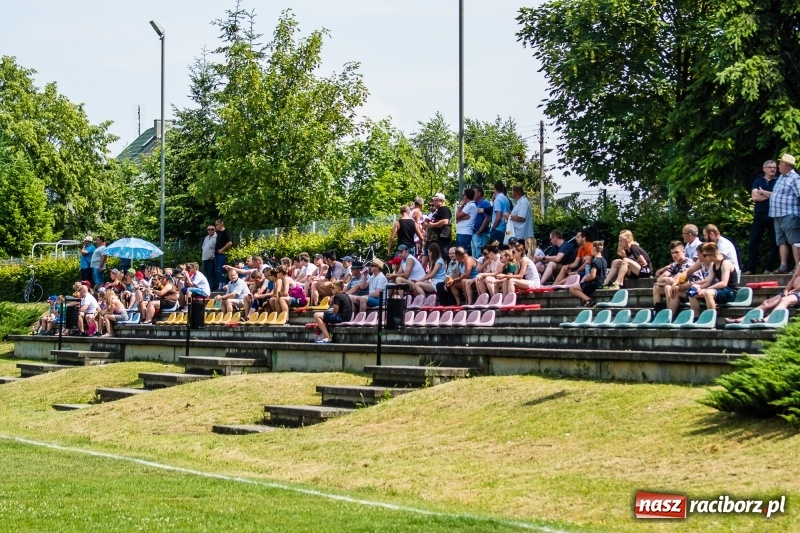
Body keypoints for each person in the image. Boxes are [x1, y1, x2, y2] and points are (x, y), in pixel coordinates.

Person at [726, 262, 800, 324]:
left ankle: (767, 319)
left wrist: (794, 290)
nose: (798, 251)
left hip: (797, 292)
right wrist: (786, 290)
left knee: (785, 300)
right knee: (766, 303)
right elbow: (792, 279)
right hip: (793, 292)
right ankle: (742, 319)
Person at [744, 160, 779, 274]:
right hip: (759, 214)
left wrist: (763, 192)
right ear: (764, 169)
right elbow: (755, 197)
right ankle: (750, 269)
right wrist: (771, 195)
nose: (773, 169)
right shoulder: (758, 181)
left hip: (774, 214)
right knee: (754, 241)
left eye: (774, 167)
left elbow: (778, 196)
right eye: (770, 167)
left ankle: (768, 269)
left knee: (774, 242)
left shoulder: (778, 181)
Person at [768, 153, 800, 274]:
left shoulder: (795, 178)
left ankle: (798, 267)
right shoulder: (781, 177)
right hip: (777, 214)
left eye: (780, 164)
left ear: (787, 166)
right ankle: (783, 266)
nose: (778, 166)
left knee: (794, 241)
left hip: (790, 214)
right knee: (781, 241)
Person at [687, 242, 739, 315]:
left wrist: (706, 289)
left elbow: (724, 283)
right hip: (720, 291)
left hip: (730, 292)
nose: (704, 257)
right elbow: (708, 281)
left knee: (708, 293)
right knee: (692, 292)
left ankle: (711, 319)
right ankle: (696, 317)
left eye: (705, 255)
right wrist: (699, 288)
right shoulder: (714, 265)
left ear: (711, 255)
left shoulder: (725, 263)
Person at [652, 241, 700, 310]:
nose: (674, 255)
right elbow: (659, 278)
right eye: (672, 253)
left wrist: (660, 282)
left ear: (684, 252)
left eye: (677, 252)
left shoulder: (688, 263)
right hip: (680, 288)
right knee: (656, 288)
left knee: (668, 287)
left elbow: (675, 280)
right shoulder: (675, 264)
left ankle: (669, 314)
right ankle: (657, 313)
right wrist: (664, 279)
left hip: (691, 290)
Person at [569, 241, 607, 307]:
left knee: (572, 288)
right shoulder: (604, 260)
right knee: (580, 285)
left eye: (591, 248)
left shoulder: (594, 261)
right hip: (601, 283)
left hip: (594, 284)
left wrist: (585, 279)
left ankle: (589, 300)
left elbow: (592, 275)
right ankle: (585, 302)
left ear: (594, 249)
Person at [506, 185, 535, 254]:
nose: (511, 193)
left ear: (515, 193)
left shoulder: (523, 202)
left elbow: (522, 218)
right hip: (518, 234)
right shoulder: (519, 202)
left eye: (512, 192)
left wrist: (509, 216)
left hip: (522, 236)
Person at [471, 186, 493, 258]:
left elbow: (487, 218)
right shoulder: (475, 203)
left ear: (479, 193)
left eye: (474, 192)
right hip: (474, 232)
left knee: (481, 254)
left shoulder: (485, 203)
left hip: (481, 234)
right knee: (474, 254)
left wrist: (480, 230)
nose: (472, 194)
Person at [488, 181, 511, 247]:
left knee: (496, 251)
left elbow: (498, 217)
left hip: (497, 229)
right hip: (505, 228)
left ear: (494, 189)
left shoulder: (497, 200)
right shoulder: (506, 199)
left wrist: (493, 227)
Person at [454, 188, 477, 253]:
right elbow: (457, 219)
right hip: (461, 232)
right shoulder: (467, 206)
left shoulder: (470, 205)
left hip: (465, 233)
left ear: (465, 196)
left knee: (462, 253)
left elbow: (457, 216)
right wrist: (462, 218)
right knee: (458, 252)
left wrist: (460, 207)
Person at [213, 219, 233, 291]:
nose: (216, 226)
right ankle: (219, 285)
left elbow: (229, 242)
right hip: (217, 254)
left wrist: (223, 249)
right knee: (217, 270)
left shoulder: (225, 232)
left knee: (222, 269)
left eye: (217, 225)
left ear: (221, 224)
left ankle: (223, 285)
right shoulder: (219, 233)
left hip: (222, 254)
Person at [202, 224, 217, 290]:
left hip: (211, 258)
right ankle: (207, 286)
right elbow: (203, 246)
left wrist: (213, 255)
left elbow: (216, 248)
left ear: (215, 229)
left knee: (211, 273)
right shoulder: (206, 237)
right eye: (209, 229)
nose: (210, 231)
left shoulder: (216, 237)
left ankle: (211, 287)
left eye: (212, 229)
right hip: (205, 258)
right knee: (206, 273)